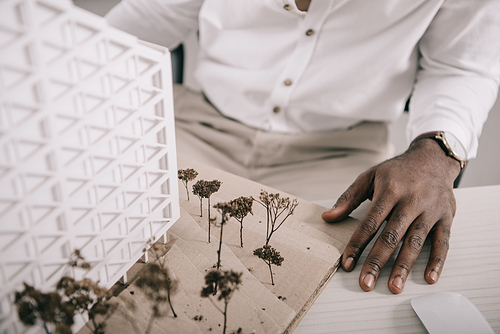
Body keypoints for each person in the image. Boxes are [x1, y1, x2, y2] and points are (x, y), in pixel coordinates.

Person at [106, 0, 500, 294]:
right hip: (196, 122)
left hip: (339, 154)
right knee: (110, 243)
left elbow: (461, 65)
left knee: (331, 285)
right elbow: (141, 22)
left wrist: (436, 152)